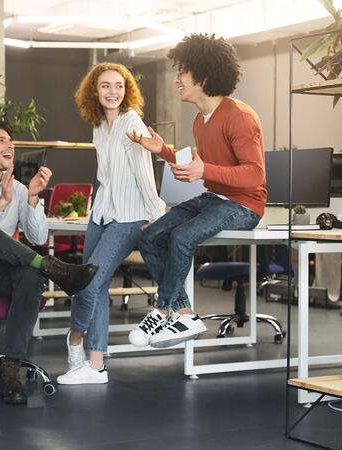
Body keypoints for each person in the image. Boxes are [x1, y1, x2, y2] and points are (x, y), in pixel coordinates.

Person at [0, 120, 98, 405]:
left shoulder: (20, 188)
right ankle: (55, 268)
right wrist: (2, 203)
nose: (10, 145)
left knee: (29, 274)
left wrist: (34, 197)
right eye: (1, 140)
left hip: (0, 275)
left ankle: (10, 372)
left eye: (10, 140)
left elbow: (38, 236)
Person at [127, 33, 266, 349]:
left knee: (181, 236)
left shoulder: (240, 117)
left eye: (183, 71)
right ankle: (186, 313)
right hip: (213, 199)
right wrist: (162, 150)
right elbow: (199, 164)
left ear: (203, 75)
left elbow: (255, 175)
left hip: (244, 205)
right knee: (149, 237)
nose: (177, 78)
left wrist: (206, 171)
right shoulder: (200, 120)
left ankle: (164, 309)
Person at [55, 63, 165, 385]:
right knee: (89, 283)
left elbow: (145, 171)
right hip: (102, 213)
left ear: (126, 90)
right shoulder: (100, 125)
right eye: (105, 86)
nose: (112, 92)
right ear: (95, 91)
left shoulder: (132, 122)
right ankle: (96, 364)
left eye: (118, 85)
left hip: (129, 215)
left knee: (90, 282)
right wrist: (93, 208)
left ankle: (77, 342)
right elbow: (105, 176)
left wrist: (155, 214)